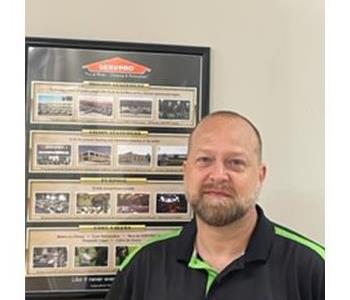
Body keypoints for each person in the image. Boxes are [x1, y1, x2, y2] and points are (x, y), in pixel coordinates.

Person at [105, 110, 324, 300]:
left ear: (260, 175)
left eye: (235, 162)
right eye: (205, 160)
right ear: (186, 171)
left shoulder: (315, 269)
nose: (218, 175)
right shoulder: (143, 265)